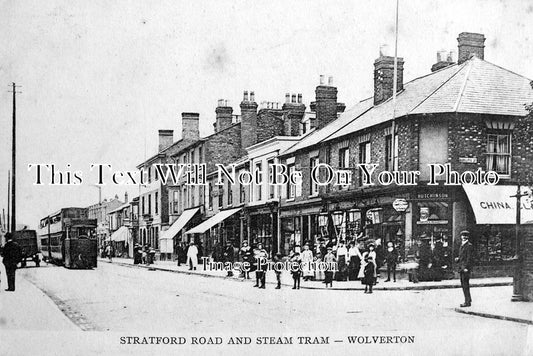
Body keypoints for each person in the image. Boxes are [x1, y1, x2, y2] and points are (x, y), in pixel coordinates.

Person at [456, 230, 474, 307]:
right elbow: (462, 257)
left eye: (465, 235)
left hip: (465, 269)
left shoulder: (469, 245)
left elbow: (469, 258)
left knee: (465, 285)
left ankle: (467, 301)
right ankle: (468, 300)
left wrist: (466, 267)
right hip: (461, 268)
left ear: (467, 237)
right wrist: (458, 259)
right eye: (463, 235)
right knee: (463, 285)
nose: (464, 237)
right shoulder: (462, 245)